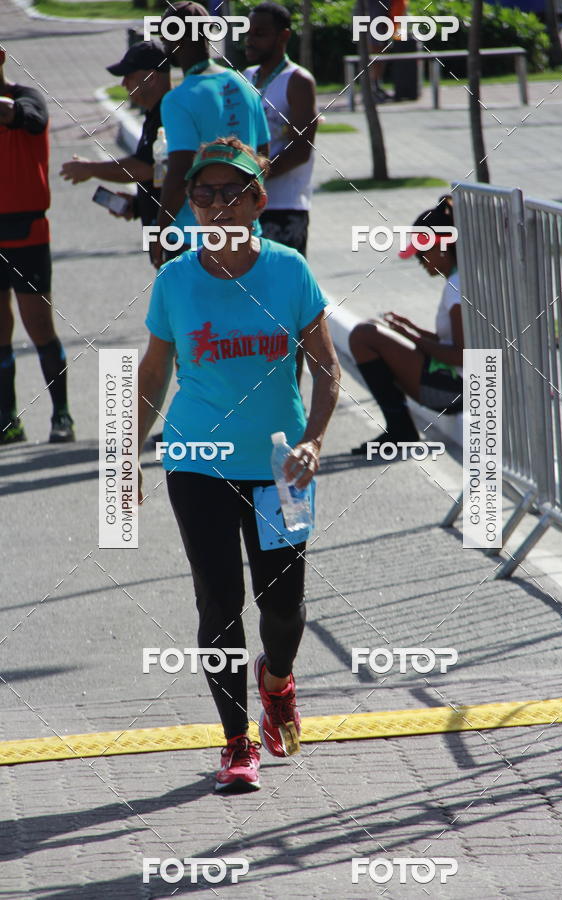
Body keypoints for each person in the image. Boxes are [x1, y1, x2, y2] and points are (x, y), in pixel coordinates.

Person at [137, 137, 339, 792]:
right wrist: (122, 457)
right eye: (204, 194)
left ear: (258, 200)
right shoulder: (174, 280)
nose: (217, 205)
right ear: (191, 204)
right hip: (196, 457)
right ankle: (236, 741)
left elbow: (327, 370)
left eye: (231, 193)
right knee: (220, 600)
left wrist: (313, 439)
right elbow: (153, 373)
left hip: (279, 465)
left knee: (283, 604)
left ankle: (276, 682)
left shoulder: (289, 272)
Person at [152, 1, 270, 268]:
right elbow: (263, 155)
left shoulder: (178, 99)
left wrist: (159, 230)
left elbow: (181, 168)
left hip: (195, 237)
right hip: (247, 231)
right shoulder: (243, 84)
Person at [349, 195, 463, 455]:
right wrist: (412, 330)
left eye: (422, 253)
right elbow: (455, 343)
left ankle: (400, 430)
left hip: (456, 392)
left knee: (363, 335)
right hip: (456, 384)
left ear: (443, 247)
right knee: (372, 330)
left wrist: (412, 338)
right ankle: (400, 429)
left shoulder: (457, 289)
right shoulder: (458, 282)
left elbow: (462, 355)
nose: (419, 261)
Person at [0, 47, 74, 445]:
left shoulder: (28, 98)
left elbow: (31, 119)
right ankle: (8, 419)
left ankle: (61, 414)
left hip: (27, 232)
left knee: (39, 328)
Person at [60, 41, 171, 242]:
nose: (123, 84)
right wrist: (138, 205)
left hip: (177, 237)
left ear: (151, 77)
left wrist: (90, 169)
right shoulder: (155, 115)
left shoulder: (168, 115)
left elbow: (145, 168)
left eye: (129, 76)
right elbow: (162, 173)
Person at [244, 1, 317, 259]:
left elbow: (300, 151)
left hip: (285, 208)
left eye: (260, 34)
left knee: (283, 293)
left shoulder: (297, 80)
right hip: (247, 209)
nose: (250, 40)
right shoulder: (247, 76)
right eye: (248, 33)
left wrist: (251, 177)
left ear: (283, 35)